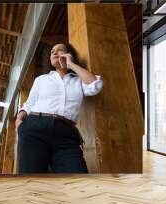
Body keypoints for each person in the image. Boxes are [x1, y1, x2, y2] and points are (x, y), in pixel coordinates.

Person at [16, 42, 103, 173]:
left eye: (60, 50)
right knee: (33, 182)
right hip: (34, 128)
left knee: (78, 182)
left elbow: (96, 85)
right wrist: (20, 121)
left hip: (66, 134)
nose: (55, 53)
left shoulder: (78, 80)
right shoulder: (41, 79)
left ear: (70, 55)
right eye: (52, 51)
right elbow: (29, 104)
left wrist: (71, 65)